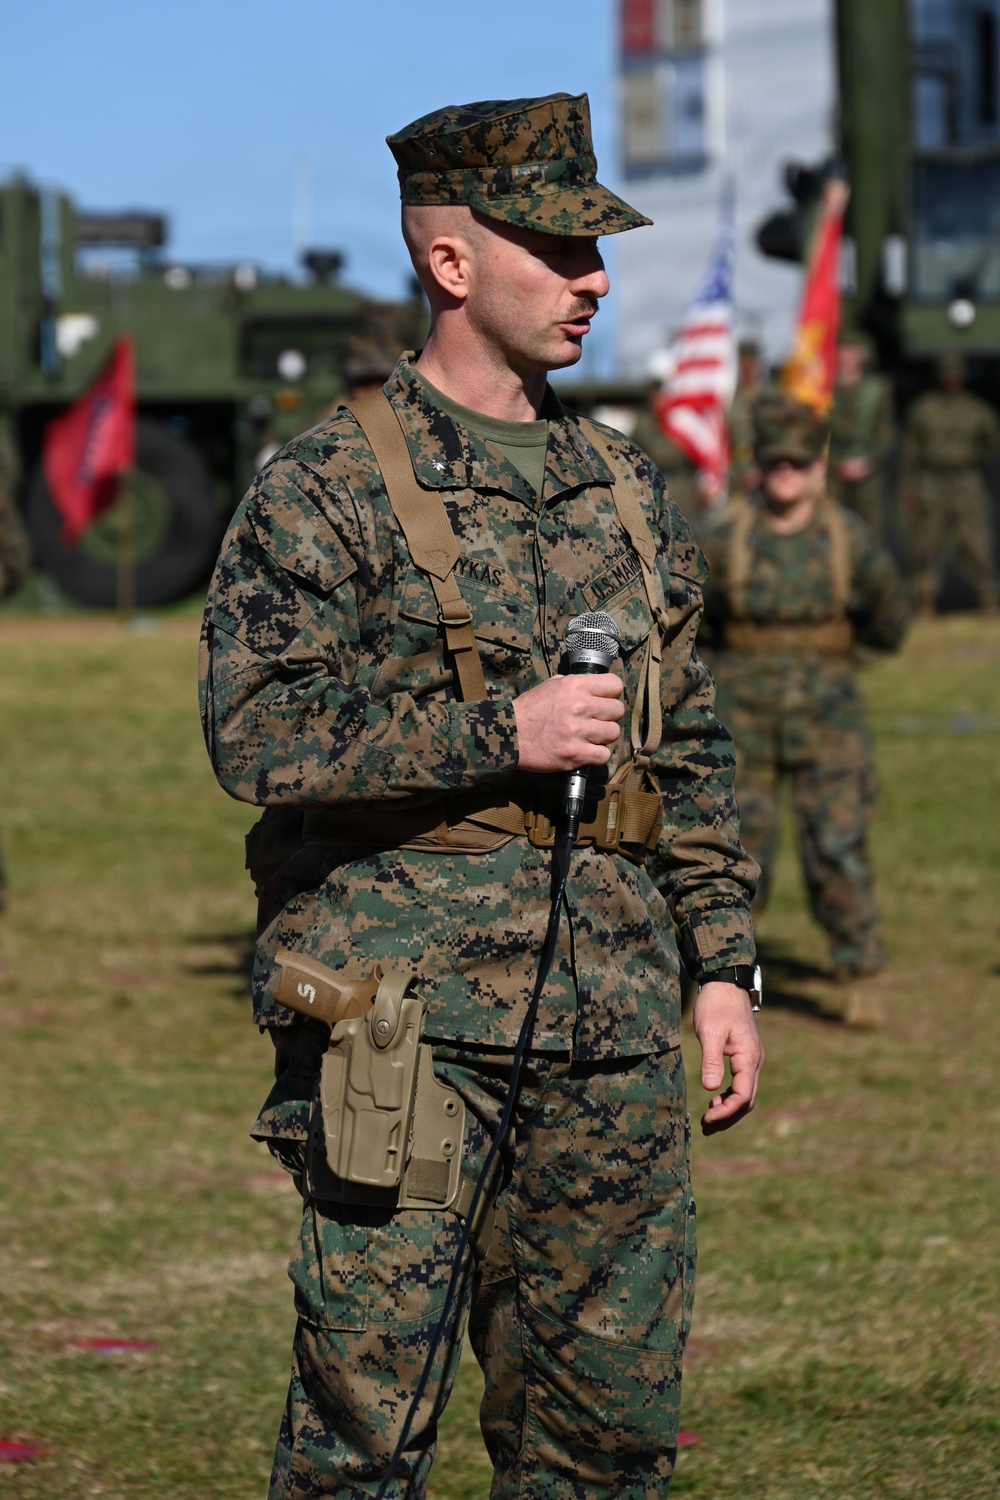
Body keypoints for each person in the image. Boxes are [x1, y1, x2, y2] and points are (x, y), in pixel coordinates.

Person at [200, 92, 762, 1500]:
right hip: (406, 1032)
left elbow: (686, 746)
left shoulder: (625, 489)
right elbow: (258, 736)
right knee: (363, 1436)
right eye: (561, 251)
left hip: (615, 1028)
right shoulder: (327, 488)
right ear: (452, 265)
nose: (595, 281)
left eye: (596, 251)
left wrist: (723, 962)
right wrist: (493, 731)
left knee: (605, 1437)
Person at [701, 393, 909, 1027]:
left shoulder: (851, 541)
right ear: (761, 465)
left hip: (830, 719)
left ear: (819, 467)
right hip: (743, 719)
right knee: (733, 853)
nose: (787, 473)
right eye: (776, 462)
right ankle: (718, 979)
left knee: (838, 846)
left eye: (798, 462)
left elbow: (889, 620)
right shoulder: (725, 537)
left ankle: (860, 970)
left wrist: (834, 658)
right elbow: (694, 621)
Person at [900, 352, 1000, 613]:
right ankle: (923, 605)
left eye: (955, 373)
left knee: (977, 543)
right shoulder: (924, 409)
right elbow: (911, 451)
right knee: (926, 545)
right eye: (946, 373)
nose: (950, 379)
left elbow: (991, 445)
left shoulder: (978, 411)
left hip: (967, 480)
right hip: (932, 482)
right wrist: (909, 487)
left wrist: (972, 459)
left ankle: (989, 603)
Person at [827, 328, 895, 535]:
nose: (846, 356)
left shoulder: (877, 390)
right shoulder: (824, 389)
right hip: (832, 471)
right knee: (831, 529)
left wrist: (867, 462)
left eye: (852, 351)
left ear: (862, 355)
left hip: (867, 472)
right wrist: (836, 462)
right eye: (842, 350)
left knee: (871, 532)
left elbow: (885, 432)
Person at [630, 389, 704, 527]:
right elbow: (631, 452)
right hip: (656, 485)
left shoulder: (681, 422)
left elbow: (696, 456)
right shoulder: (643, 425)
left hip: (684, 487)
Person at [728, 337, 766, 497]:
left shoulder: (770, 395)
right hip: (733, 474)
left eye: (752, 362)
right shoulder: (728, 396)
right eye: (743, 362)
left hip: (764, 472)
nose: (748, 367)